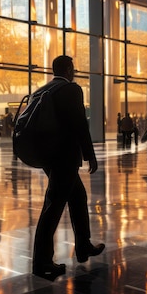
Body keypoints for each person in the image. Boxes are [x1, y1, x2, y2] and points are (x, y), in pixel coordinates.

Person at [32, 55, 104, 280]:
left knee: (78, 197)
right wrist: (89, 155)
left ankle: (83, 245)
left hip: (49, 157)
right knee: (53, 208)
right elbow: (80, 124)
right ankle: (42, 262)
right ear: (69, 69)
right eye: (73, 68)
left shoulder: (42, 91)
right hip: (65, 159)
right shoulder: (71, 90)